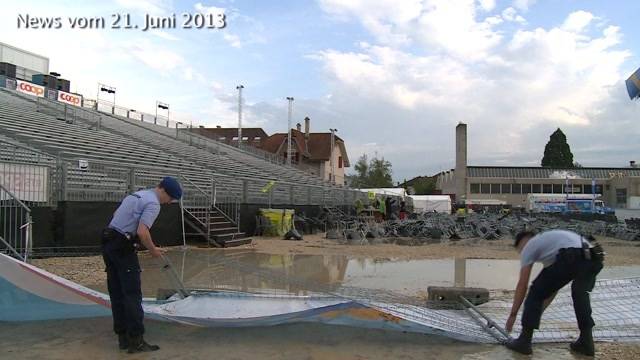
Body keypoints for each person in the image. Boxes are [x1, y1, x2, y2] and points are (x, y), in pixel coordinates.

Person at [101, 177, 182, 354]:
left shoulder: (137, 195)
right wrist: (153, 250)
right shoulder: (153, 203)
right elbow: (142, 232)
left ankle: (122, 338)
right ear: (164, 192)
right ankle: (136, 341)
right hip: (122, 247)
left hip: (108, 242)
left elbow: (116, 216)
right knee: (132, 294)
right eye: (170, 199)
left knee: (117, 292)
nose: (169, 203)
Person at [505, 230, 604, 356]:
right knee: (580, 295)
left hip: (572, 254)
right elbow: (552, 288)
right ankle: (586, 343)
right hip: (594, 255)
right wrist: (536, 313)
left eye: (520, 250)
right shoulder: (551, 244)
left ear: (524, 241)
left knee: (535, 292)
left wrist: (512, 315)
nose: (522, 254)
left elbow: (522, 284)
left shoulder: (530, 245)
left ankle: (524, 342)